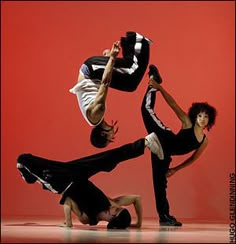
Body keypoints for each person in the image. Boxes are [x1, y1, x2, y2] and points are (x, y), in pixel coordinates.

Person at [16, 132, 159, 229]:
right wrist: (138, 223)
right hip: (77, 174)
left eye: (118, 211)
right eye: (119, 208)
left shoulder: (88, 219)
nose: (117, 208)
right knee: (107, 158)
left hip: (66, 182)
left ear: (113, 217)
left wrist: (69, 223)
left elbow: (68, 201)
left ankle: (29, 176)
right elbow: (136, 198)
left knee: (26, 161)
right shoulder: (111, 203)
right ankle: (145, 142)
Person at [141, 64, 217, 226]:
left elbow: (192, 159)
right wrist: (159, 88)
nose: (202, 119)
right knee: (146, 109)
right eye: (200, 115)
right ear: (195, 116)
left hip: (164, 154)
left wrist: (175, 169)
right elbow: (173, 104)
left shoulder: (204, 140)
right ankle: (154, 80)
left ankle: (164, 216)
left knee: (159, 183)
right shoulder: (188, 122)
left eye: (206, 117)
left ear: (209, 120)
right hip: (163, 138)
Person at [69, 31, 152, 148]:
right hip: (92, 72)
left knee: (132, 77)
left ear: (103, 133)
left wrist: (112, 58)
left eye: (111, 138)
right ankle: (129, 41)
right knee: (129, 84)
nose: (114, 136)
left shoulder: (98, 113)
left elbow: (105, 83)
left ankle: (138, 41)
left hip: (92, 70)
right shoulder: (93, 119)